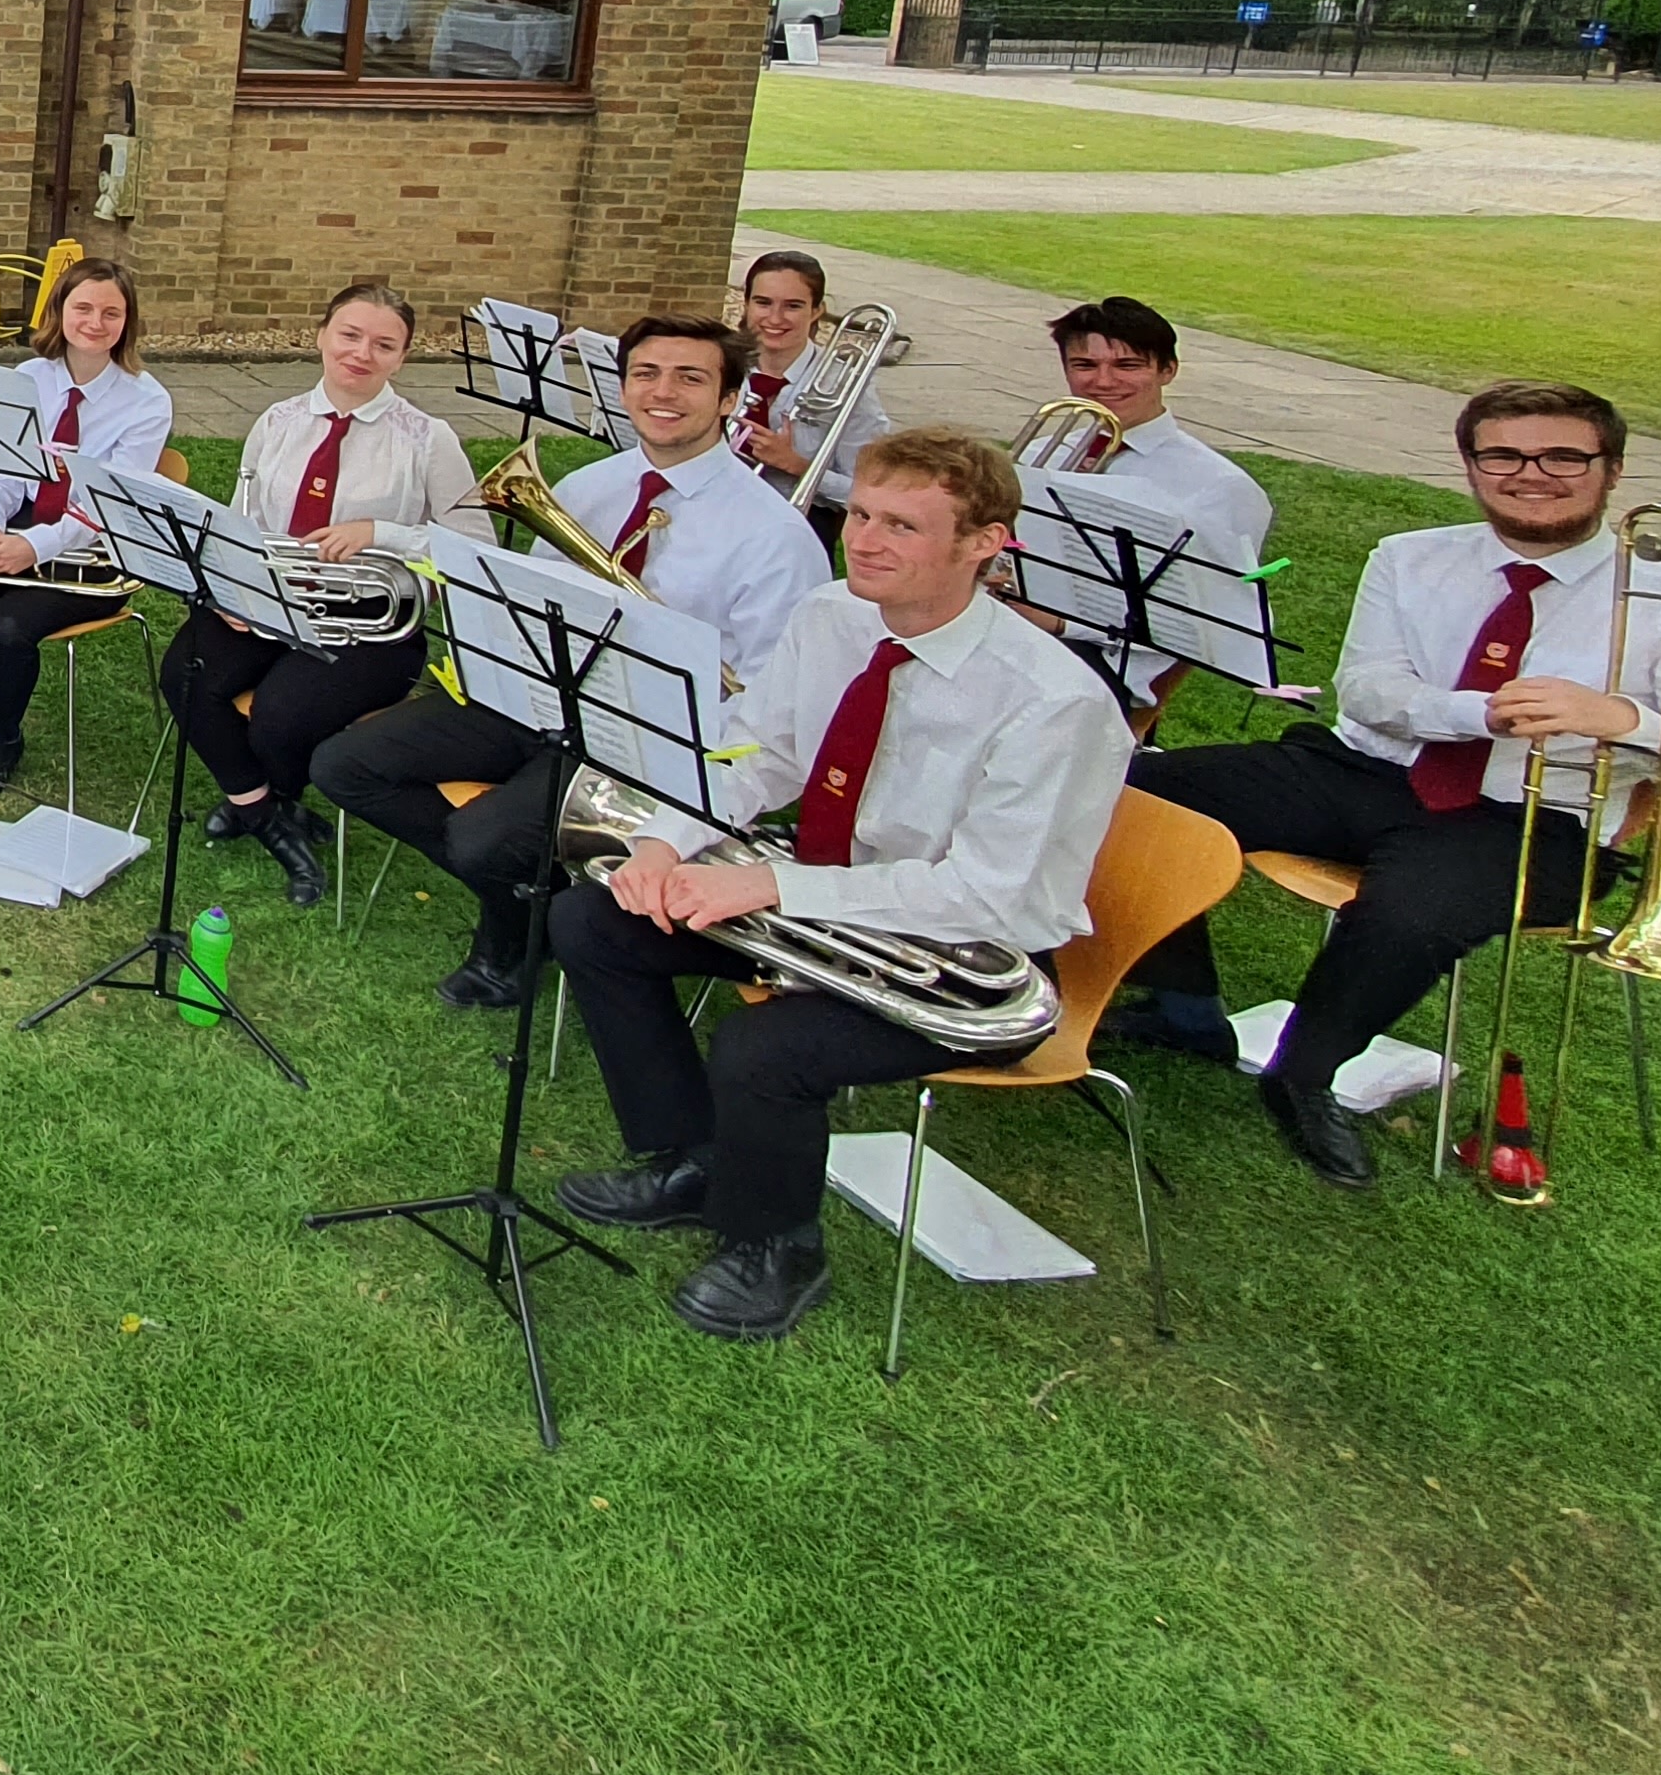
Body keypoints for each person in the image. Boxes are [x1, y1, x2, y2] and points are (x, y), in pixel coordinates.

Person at [545, 428, 1131, 1343]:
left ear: (986, 545)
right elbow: (760, 756)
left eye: (903, 525)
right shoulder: (833, 614)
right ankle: (700, 1161)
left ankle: (777, 1245)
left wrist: (772, 886)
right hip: (822, 892)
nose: (864, 539)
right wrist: (664, 842)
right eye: (859, 513)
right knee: (592, 920)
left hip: (969, 954)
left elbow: (991, 895)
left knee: (766, 1051)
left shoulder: (1053, 700)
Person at [1113, 379, 1661, 1185]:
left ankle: (1304, 1077)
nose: (1532, 473)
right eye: (1503, 455)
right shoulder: (1410, 557)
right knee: (1128, 789)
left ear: (1613, 468)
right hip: (1374, 771)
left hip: (1532, 817)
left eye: (1564, 455)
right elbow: (1371, 693)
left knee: (1414, 906)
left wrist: (1626, 719)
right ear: (1471, 465)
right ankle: (1187, 1011)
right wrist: (1475, 713)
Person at [312, 313, 828, 1007]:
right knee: (343, 765)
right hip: (545, 698)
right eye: (645, 374)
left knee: (480, 839)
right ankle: (537, 895)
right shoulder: (590, 486)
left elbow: (767, 698)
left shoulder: (775, 537)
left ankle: (509, 941)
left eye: (690, 378)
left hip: (647, 737)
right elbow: (528, 600)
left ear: (730, 399)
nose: (662, 391)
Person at [162, 277, 486, 902]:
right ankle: (265, 813)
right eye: (350, 335)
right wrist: (233, 586)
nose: (362, 354)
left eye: (384, 344)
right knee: (187, 672)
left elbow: (476, 551)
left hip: (370, 618)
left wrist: (382, 533)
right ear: (322, 336)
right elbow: (241, 518)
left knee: (283, 716)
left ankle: (266, 796)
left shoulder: (428, 439)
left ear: (403, 356)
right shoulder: (277, 420)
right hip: (271, 598)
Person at [0, 259, 169, 796]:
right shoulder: (28, 379)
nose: (96, 322)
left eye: (111, 313)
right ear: (59, 312)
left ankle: (2, 739)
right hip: (19, 526)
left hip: (98, 550)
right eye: (83, 308)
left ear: (128, 322)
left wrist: (34, 545)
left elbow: (107, 505)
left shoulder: (147, 401)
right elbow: (1, 469)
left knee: (8, 626)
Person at [1017, 293, 1271, 724]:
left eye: (1127, 366)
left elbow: (1207, 626)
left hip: (1100, 669)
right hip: (1011, 634)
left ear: (1167, 370)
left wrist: (1061, 625)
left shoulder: (1218, 485)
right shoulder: (1043, 451)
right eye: (1085, 366)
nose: (1104, 381)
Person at [731, 246, 890, 545]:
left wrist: (797, 465)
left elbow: (874, 492)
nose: (774, 318)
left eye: (793, 306)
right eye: (763, 303)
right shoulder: (723, 366)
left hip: (797, 535)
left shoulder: (846, 386)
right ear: (747, 303)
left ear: (817, 310)